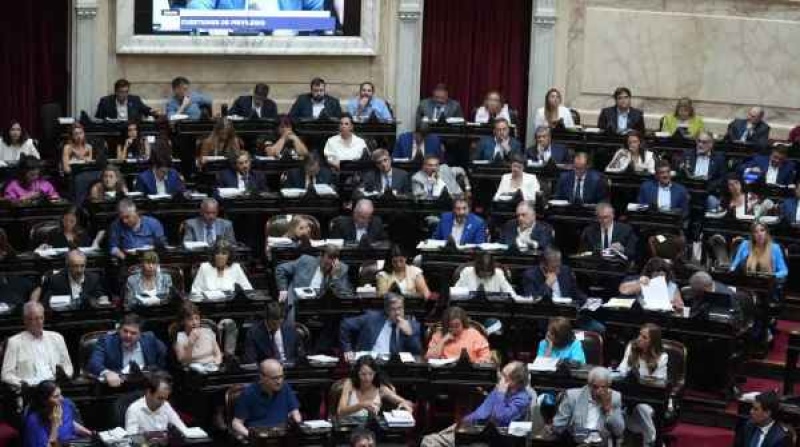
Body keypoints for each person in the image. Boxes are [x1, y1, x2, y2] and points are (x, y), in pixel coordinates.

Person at [420, 361, 532, 447]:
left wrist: (501, 394)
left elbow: (500, 417)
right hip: (472, 428)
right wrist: (461, 423)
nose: (499, 376)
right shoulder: (499, 390)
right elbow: (481, 412)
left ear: (513, 382)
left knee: (429, 442)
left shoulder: (522, 399)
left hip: (485, 438)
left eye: (503, 375)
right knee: (430, 438)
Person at [618, 324, 668, 447]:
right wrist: (631, 366)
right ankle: (655, 441)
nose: (639, 338)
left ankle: (650, 441)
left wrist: (642, 377)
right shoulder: (631, 347)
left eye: (644, 337)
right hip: (629, 397)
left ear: (653, 342)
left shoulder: (662, 357)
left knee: (642, 407)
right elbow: (622, 370)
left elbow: (659, 381)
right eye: (640, 334)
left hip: (650, 399)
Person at [1, 302, 72, 388]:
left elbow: (68, 366)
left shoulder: (57, 338)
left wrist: (64, 376)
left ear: (43, 318)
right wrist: (24, 384)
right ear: (25, 320)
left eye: (39, 318)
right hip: (30, 389)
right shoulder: (14, 342)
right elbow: (6, 374)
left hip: (54, 388)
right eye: (31, 319)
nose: (35, 323)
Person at [275, 245, 353, 321]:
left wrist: (335, 277)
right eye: (329, 258)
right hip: (299, 304)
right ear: (321, 256)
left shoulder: (341, 269)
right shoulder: (305, 261)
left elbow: (346, 295)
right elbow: (280, 269)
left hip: (323, 311)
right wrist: (283, 290)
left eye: (334, 259)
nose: (331, 262)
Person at [87, 314, 167, 386]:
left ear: (140, 335)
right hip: (120, 387)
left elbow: (164, 353)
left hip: (145, 385)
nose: (128, 336)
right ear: (119, 330)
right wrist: (107, 373)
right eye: (125, 331)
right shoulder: (107, 341)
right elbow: (94, 363)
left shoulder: (149, 339)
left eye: (133, 333)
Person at [232, 359, 302, 436]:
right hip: (259, 434)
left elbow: (295, 412)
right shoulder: (248, 393)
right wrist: (251, 436)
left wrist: (298, 425)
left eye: (281, 376)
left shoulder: (285, 387)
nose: (279, 381)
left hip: (282, 434)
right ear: (262, 377)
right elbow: (236, 423)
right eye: (275, 378)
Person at [552, 366, 625, 440]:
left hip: (601, 442)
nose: (599, 391)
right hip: (577, 440)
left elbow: (618, 431)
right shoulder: (572, 396)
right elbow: (558, 425)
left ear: (608, 386)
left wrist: (608, 410)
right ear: (589, 385)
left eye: (603, 387)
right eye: (595, 387)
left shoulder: (615, 397)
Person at [340, 293, 423, 357]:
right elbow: (345, 324)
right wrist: (347, 349)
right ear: (387, 310)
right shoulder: (371, 318)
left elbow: (417, 353)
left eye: (400, 308)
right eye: (393, 309)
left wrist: (410, 335)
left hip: (396, 367)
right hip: (371, 363)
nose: (397, 312)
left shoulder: (413, 325)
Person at [337, 356, 412, 421]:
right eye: (363, 374)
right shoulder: (349, 383)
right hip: (349, 427)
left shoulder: (381, 388)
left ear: (375, 373)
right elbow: (340, 411)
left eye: (370, 374)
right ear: (357, 373)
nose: (367, 378)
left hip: (371, 429)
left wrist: (404, 406)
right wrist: (361, 405)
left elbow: (404, 402)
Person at [23, 380, 93, 447]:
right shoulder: (34, 421)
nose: (62, 399)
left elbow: (70, 423)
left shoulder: (64, 404)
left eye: (60, 394)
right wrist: (54, 426)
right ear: (44, 401)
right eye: (56, 396)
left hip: (72, 443)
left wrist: (91, 435)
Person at [42, 250, 108, 309]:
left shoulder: (93, 278)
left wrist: (102, 298)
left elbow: (100, 296)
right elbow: (46, 303)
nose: (79, 270)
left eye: (82, 266)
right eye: (75, 266)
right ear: (68, 266)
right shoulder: (56, 280)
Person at [425, 306, 491, 363]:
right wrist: (443, 341)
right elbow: (430, 358)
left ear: (463, 323)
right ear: (445, 325)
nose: (454, 329)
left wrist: (474, 364)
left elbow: (486, 357)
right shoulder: (438, 335)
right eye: (450, 326)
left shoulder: (473, 334)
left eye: (457, 326)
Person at [619, 257, 685, 311]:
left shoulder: (672, 286)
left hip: (663, 317)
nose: (660, 279)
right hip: (644, 315)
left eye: (662, 276)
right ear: (649, 274)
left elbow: (680, 305)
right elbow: (623, 290)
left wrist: (676, 305)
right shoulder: (642, 281)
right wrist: (641, 284)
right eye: (656, 276)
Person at [681, 131, 726, 209]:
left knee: (712, 202)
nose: (700, 145)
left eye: (704, 142)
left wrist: (708, 187)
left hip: (708, 192)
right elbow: (681, 175)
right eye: (699, 141)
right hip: (689, 191)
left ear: (711, 144)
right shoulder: (687, 155)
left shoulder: (718, 158)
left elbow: (722, 179)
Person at [174, 302, 223, 366]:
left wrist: (217, 363)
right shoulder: (180, 338)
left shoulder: (208, 332)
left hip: (213, 366)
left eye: (197, 318)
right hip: (194, 370)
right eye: (190, 319)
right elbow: (184, 362)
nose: (194, 323)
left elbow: (218, 353)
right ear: (183, 321)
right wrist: (190, 344)